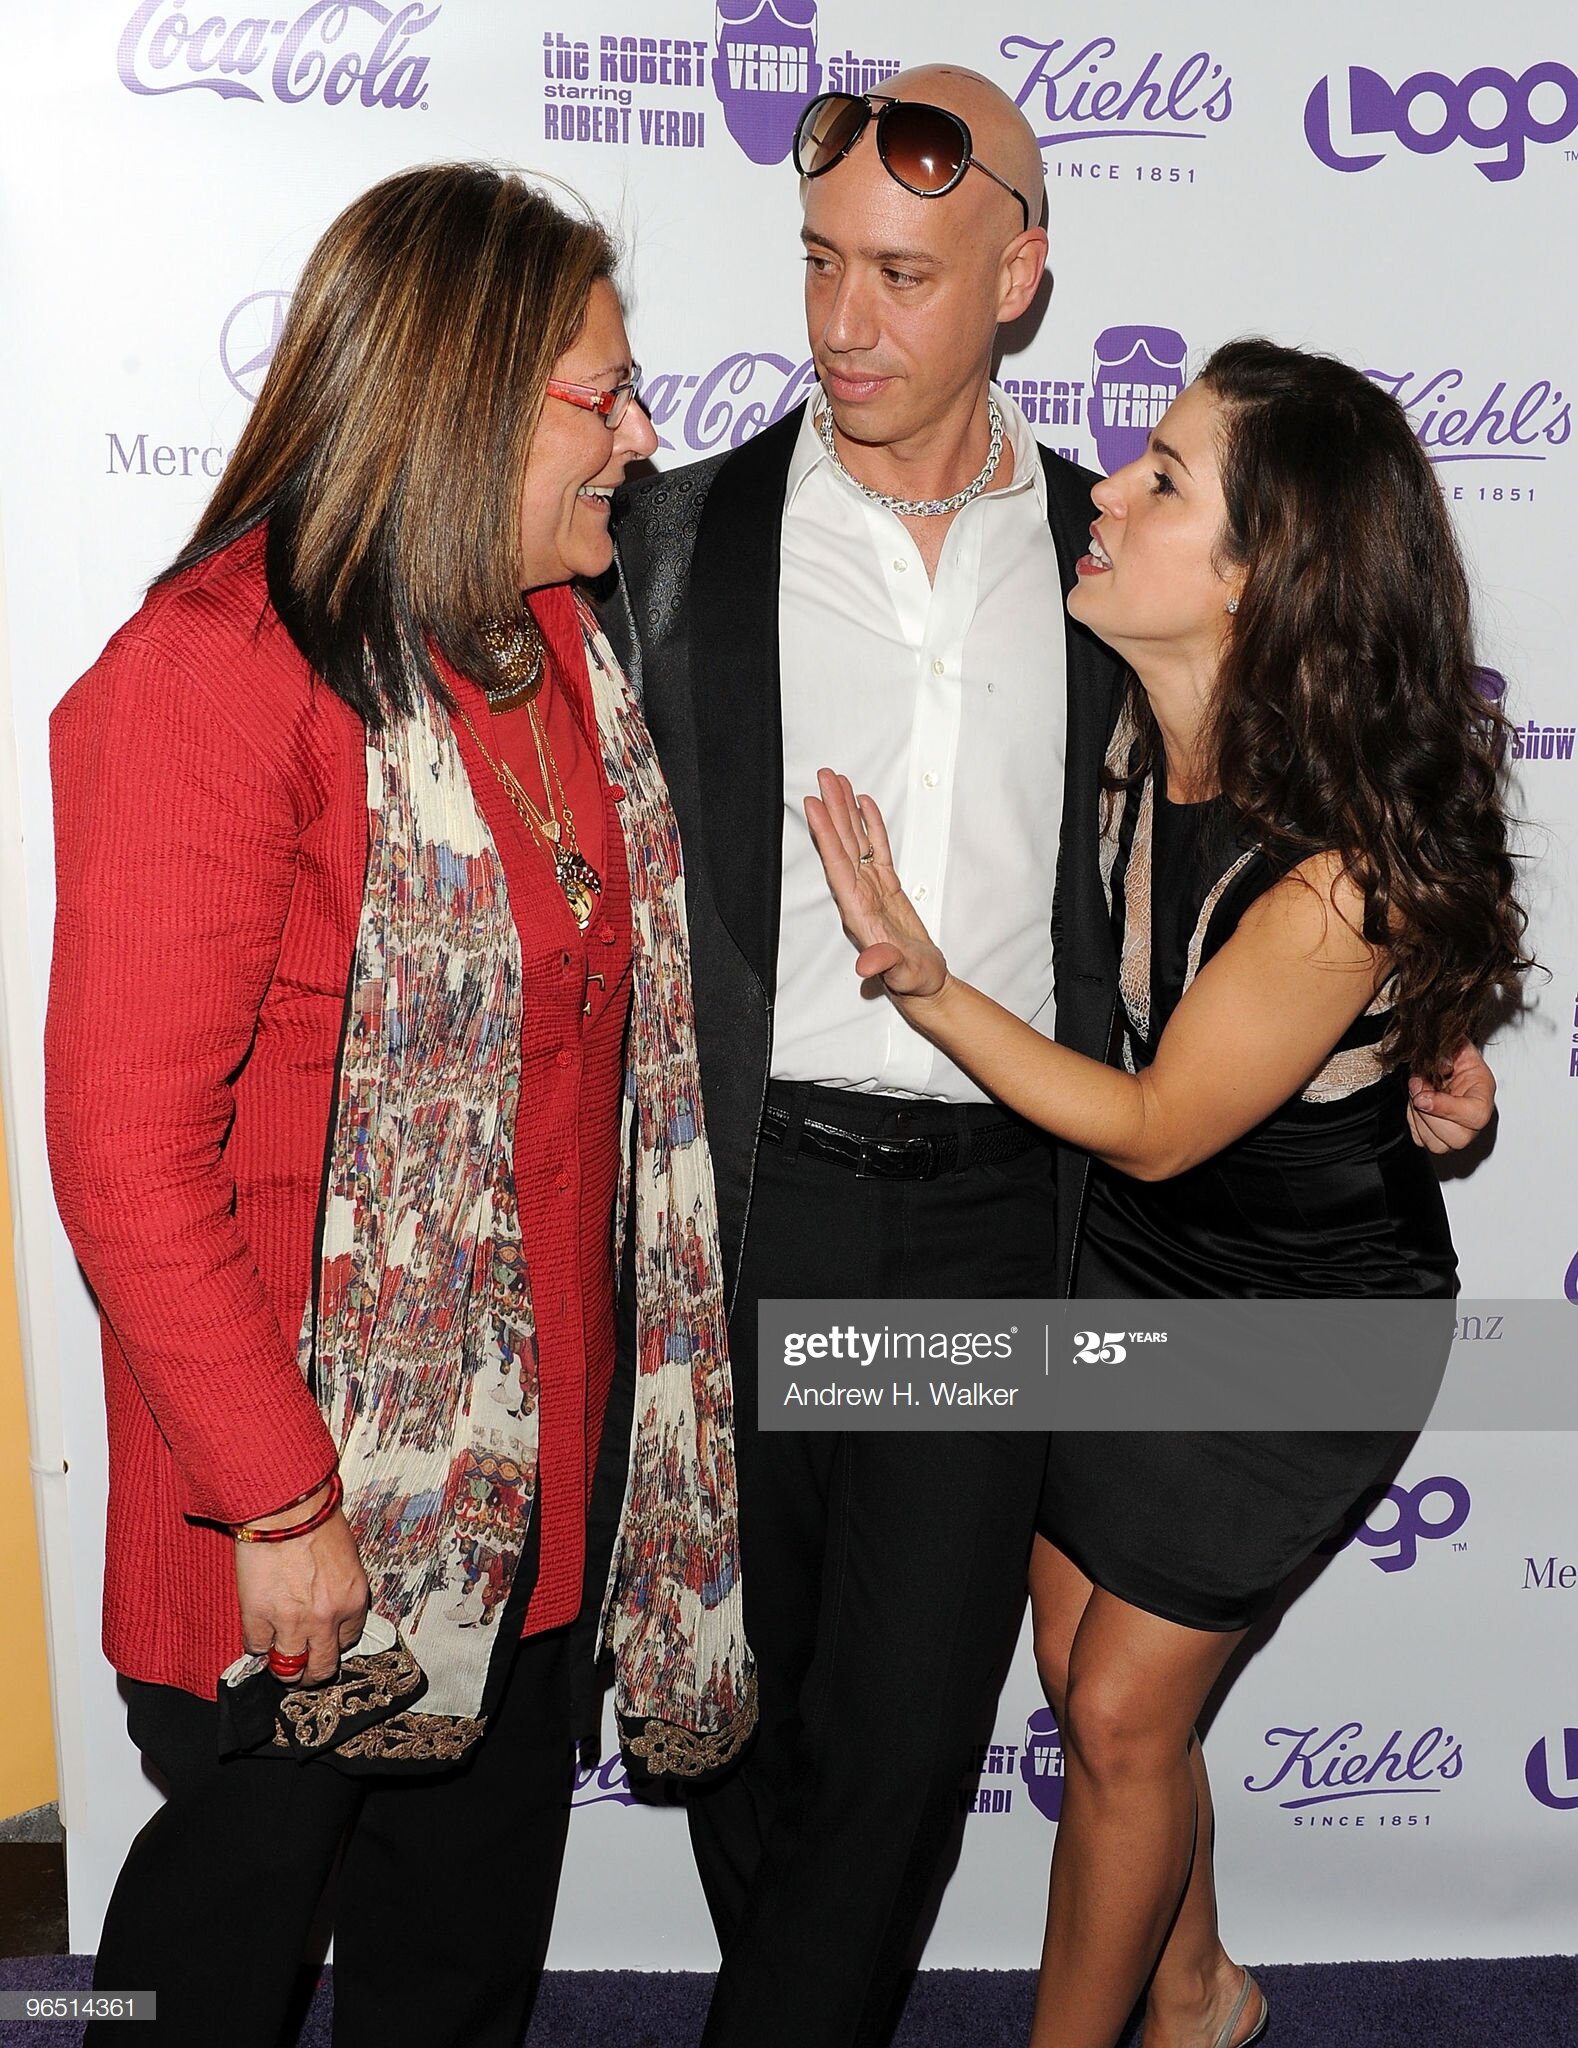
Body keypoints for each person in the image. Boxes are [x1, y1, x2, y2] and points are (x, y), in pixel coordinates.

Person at [593, 64, 1496, 2048]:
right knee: (740, 1711)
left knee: (919, 1727)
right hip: (746, 1207)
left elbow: (1315, 837)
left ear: (1021, 273)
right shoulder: (664, 546)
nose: (845, 321)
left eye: (905, 274)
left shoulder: (1120, 564)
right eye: (821, 264)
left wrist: (1426, 1059)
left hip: (1015, 1229)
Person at [45, 162, 751, 2048]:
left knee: (457, 1967)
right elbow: (124, 1161)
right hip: (292, 1516)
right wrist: (282, 1505)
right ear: (457, 397)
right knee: (205, 1969)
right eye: (598, 393)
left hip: (540, 1492)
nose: (639, 433)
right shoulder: (211, 680)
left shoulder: (550, 654)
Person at [805, 338, 1528, 2048]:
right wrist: (1437, 1060)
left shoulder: (1335, 873)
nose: (1106, 495)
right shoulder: (1121, 723)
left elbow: (1148, 1121)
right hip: (1126, 1271)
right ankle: (1196, 1990)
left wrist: (917, 976)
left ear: (1261, 574)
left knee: (1122, 1715)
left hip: (1305, 1328)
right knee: (1080, 1687)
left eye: (1162, 481)